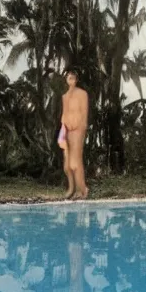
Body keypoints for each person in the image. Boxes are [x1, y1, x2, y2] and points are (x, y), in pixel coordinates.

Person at [59, 69, 89, 199]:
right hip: (67, 129)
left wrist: (81, 127)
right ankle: (71, 188)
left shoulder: (82, 94)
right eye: (68, 77)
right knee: (67, 165)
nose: (70, 79)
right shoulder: (64, 96)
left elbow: (84, 113)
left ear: (76, 80)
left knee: (75, 163)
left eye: (72, 77)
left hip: (78, 129)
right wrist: (63, 127)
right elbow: (64, 114)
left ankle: (81, 190)